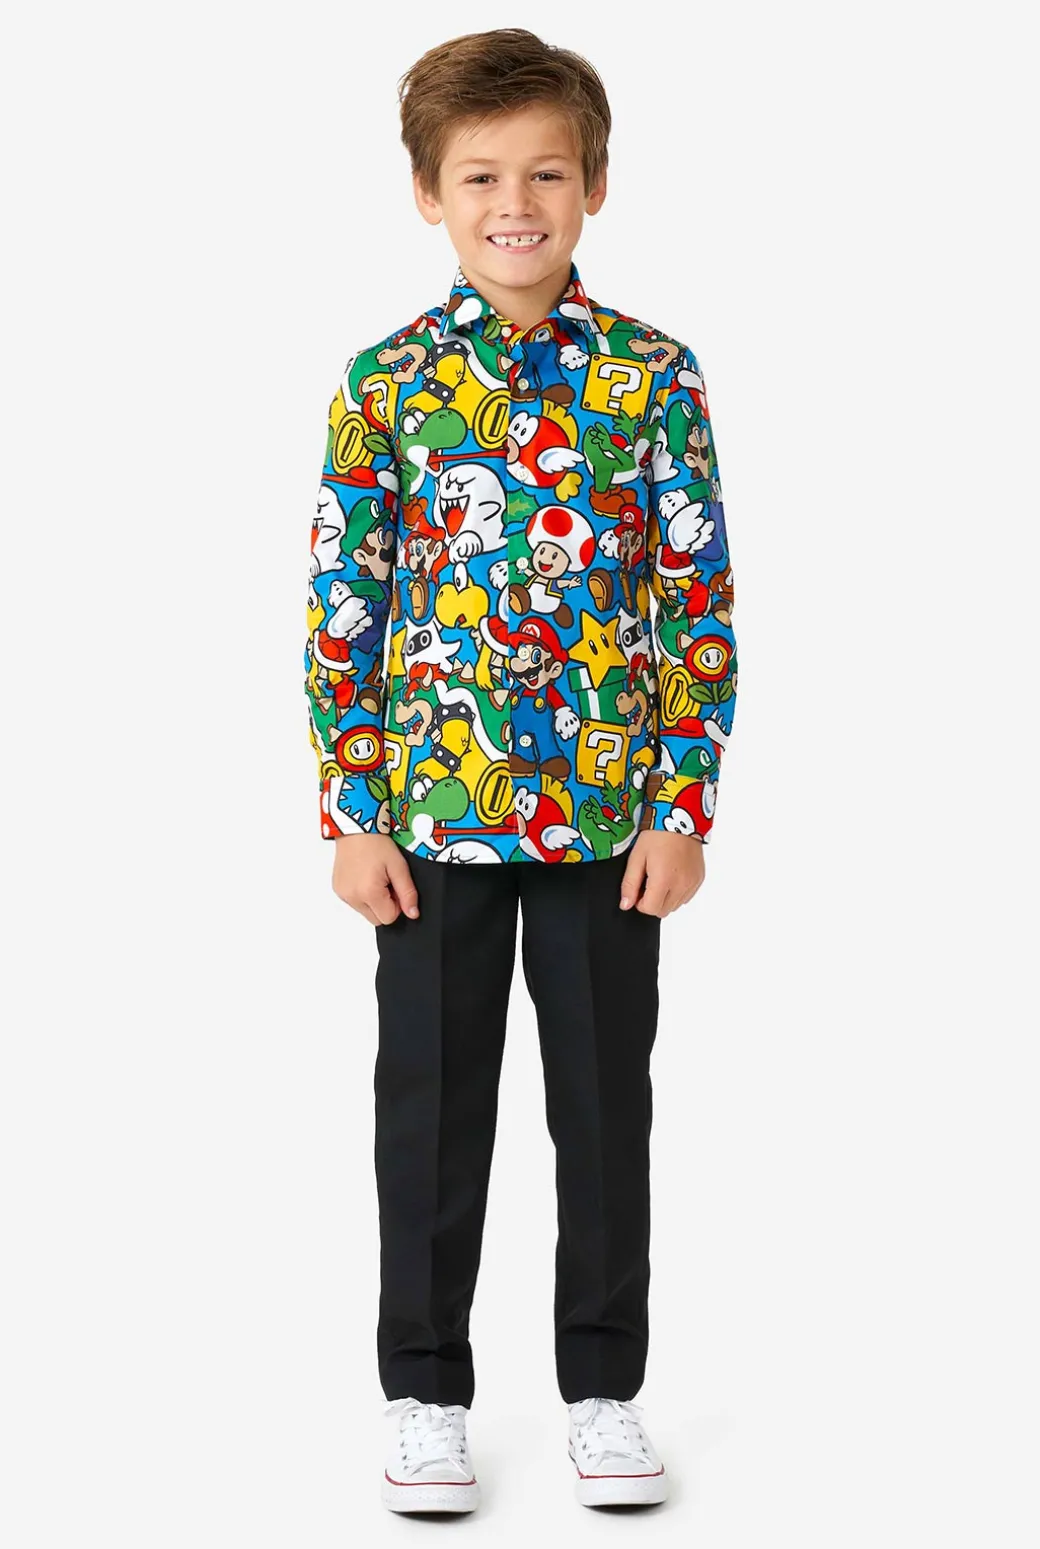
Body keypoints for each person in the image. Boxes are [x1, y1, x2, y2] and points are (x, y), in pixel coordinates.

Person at [302, 26, 737, 1516]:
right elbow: (346, 598)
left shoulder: (651, 375)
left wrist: (683, 804)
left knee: (605, 1112)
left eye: (546, 174)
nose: (515, 204)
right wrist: (352, 810)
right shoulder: (388, 383)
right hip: (430, 826)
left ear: (594, 185)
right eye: (481, 176)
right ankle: (424, 1396)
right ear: (428, 193)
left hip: (608, 824)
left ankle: (604, 1390)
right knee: (429, 1117)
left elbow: (696, 595)